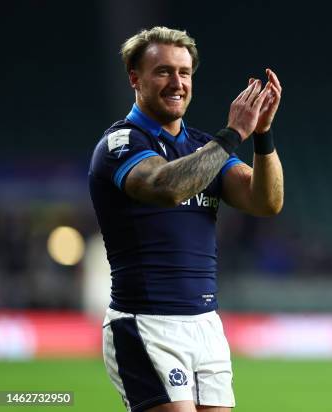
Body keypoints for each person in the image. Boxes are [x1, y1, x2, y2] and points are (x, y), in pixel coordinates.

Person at [88, 26, 284, 412]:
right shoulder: (121, 144)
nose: (176, 82)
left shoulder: (201, 146)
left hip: (205, 324)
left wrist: (262, 135)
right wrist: (232, 135)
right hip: (146, 322)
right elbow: (166, 186)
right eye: (163, 71)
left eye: (184, 72)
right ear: (135, 78)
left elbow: (266, 201)